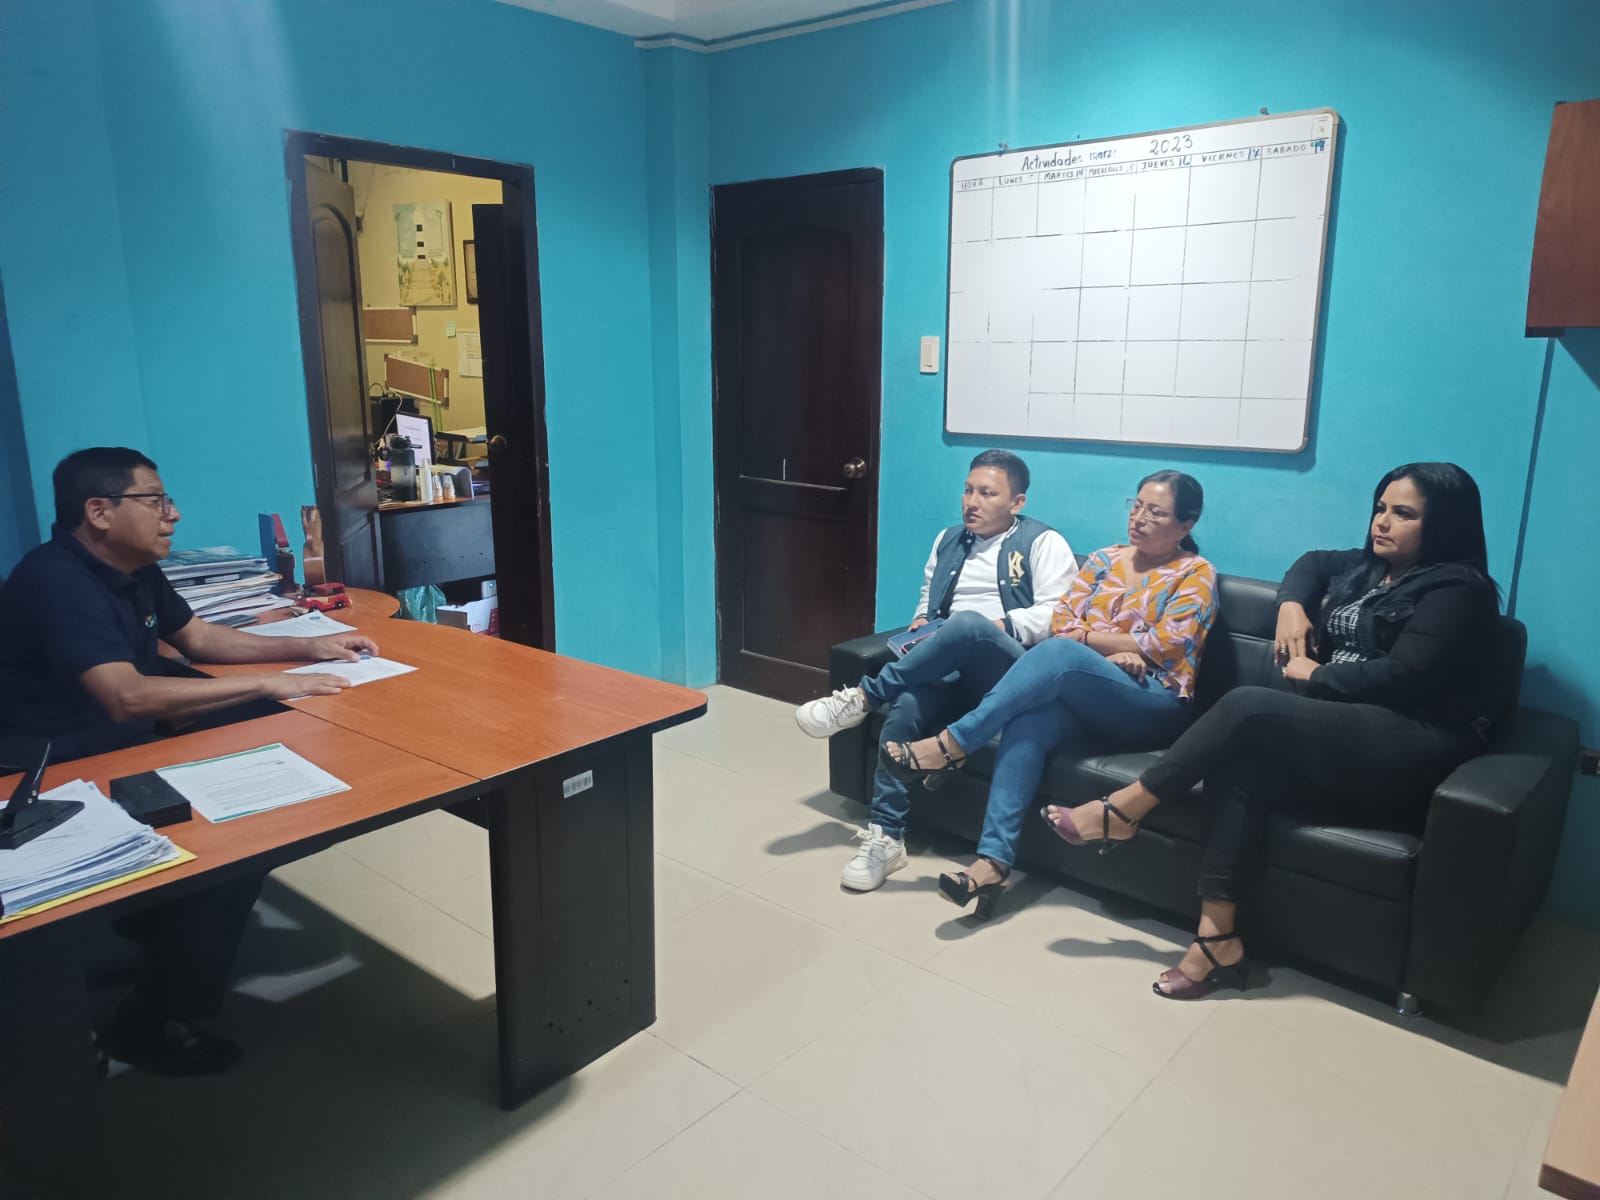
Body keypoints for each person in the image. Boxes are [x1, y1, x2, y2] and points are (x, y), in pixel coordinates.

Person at [1043, 462, 1506, 998]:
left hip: (1408, 741)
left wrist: (1317, 673)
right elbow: (1310, 563)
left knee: (1250, 707)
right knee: (1239, 768)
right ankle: (1217, 941)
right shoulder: (1369, 567)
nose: (1382, 522)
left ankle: (1123, 810)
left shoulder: (1458, 590)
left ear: (1443, 524)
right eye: (1381, 508)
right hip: (1347, 734)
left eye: (1404, 514)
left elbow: (1407, 676)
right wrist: (1289, 606)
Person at [0, 447, 376, 1074]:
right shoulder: (55, 581)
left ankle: (162, 920)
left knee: (276, 740)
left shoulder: (133, 567)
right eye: (155, 501)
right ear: (99, 511)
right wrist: (270, 683)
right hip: (59, 767)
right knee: (239, 842)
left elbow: (198, 637)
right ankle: (150, 1019)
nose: (172, 514)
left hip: (123, 735)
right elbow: (125, 696)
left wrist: (310, 647)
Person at [883, 471, 1217, 918]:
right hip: (1093, 693)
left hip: (1154, 702)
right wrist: (1112, 652)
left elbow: (1166, 644)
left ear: (1185, 524)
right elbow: (1062, 622)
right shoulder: (1103, 560)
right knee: (1028, 724)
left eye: (1155, 512)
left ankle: (952, 745)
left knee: (1060, 653)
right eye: (1136, 505)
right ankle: (992, 864)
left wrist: (1092, 643)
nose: (1139, 518)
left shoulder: (1195, 573)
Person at [794, 450, 1076, 892]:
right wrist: (923, 622)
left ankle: (865, 696)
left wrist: (993, 626)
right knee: (907, 705)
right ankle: (887, 836)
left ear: (1017, 502)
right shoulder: (949, 540)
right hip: (952, 666)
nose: (972, 502)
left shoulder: (1043, 543)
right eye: (968, 490)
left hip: (1011, 672)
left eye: (987, 493)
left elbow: (1059, 615)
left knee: (968, 625)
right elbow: (930, 598)